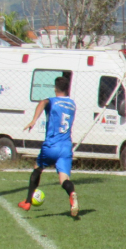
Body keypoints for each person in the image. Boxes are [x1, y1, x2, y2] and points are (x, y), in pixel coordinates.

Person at [18, 75, 78, 217]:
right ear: (67, 89)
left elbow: (42, 103)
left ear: (55, 89)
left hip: (52, 145)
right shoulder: (72, 104)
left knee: (37, 169)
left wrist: (33, 120)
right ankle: (72, 193)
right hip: (66, 147)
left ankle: (27, 201)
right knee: (64, 180)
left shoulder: (52, 101)